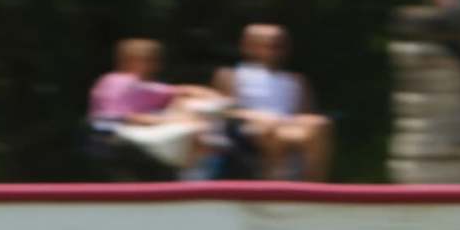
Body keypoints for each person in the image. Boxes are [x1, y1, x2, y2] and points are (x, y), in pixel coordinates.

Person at [214, 24, 333, 181]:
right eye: (268, 44)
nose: (274, 49)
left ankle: (314, 190)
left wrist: (289, 122)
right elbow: (224, 109)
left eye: (279, 45)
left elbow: (306, 114)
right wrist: (256, 116)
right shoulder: (231, 75)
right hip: (251, 126)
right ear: (248, 47)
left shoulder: (297, 81)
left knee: (320, 124)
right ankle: (271, 186)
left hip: (287, 126)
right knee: (269, 127)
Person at [88, 39, 221, 174]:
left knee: (186, 109)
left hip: (127, 136)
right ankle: (193, 178)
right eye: (147, 60)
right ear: (130, 60)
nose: (154, 66)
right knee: (195, 129)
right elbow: (121, 118)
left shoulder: (136, 84)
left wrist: (217, 100)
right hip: (112, 138)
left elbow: (179, 91)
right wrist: (176, 122)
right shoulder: (118, 81)